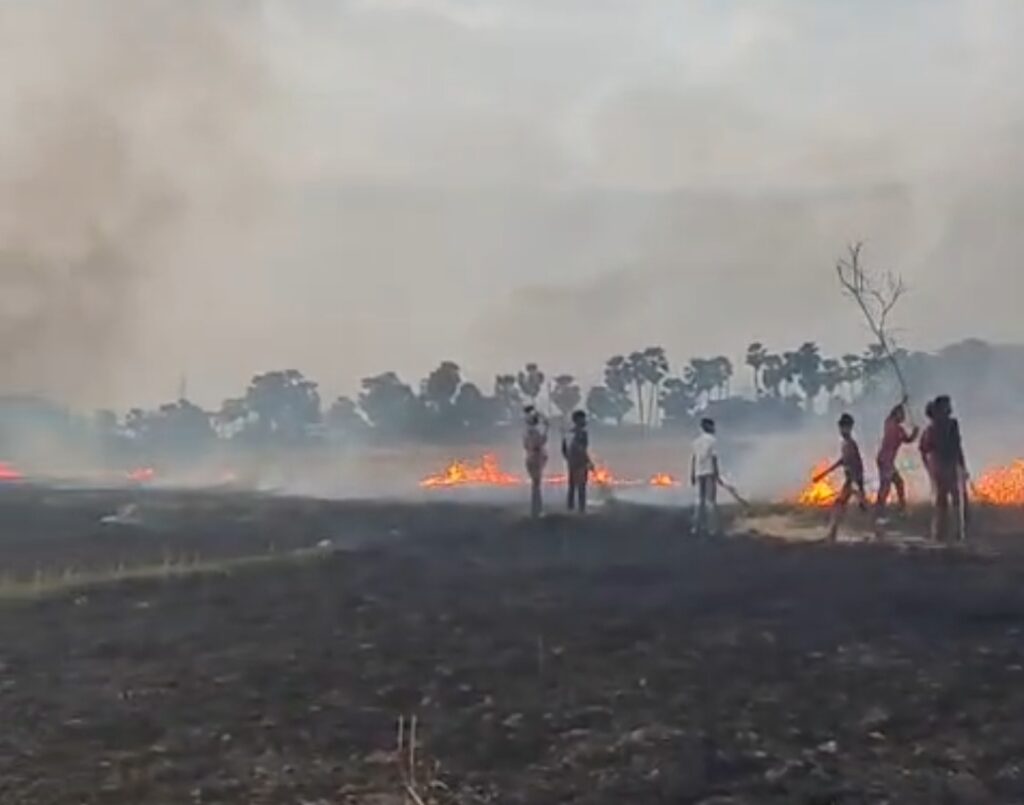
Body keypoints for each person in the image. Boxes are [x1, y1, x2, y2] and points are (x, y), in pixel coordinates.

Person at [919, 395, 968, 542]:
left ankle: (949, 532)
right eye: (947, 405)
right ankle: (944, 532)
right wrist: (929, 467)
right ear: (940, 409)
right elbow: (924, 449)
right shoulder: (934, 429)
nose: (950, 408)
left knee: (951, 500)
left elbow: (956, 446)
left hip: (945, 465)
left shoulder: (947, 425)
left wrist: (962, 465)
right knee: (948, 500)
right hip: (942, 466)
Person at [813, 413, 868, 542]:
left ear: (849, 428)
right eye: (841, 427)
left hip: (853, 480)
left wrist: (857, 484)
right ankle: (833, 533)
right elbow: (843, 461)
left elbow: (855, 464)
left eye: (844, 427)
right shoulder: (846, 444)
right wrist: (823, 474)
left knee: (852, 505)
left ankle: (833, 534)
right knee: (843, 505)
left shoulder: (850, 444)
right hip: (851, 480)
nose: (842, 430)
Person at [875, 397, 919, 519]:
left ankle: (901, 508)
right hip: (885, 461)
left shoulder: (892, 425)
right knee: (886, 487)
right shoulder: (891, 425)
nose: (904, 416)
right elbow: (909, 439)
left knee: (899, 483)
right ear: (897, 415)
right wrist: (915, 433)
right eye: (901, 414)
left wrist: (915, 433)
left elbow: (909, 439)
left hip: (886, 460)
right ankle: (880, 513)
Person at [690, 417, 720, 536]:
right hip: (709, 473)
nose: (714, 428)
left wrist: (692, 474)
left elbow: (693, 459)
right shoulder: (712, 440)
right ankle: (712, 528)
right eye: (712, 426)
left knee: (699, 501)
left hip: (698, 473)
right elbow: (714, 458)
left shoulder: (695, 442)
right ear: (709, 427)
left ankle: (695, 527)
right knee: (710, 502)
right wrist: (716, 473)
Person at [562, 410, 592, 513]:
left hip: (571, 463)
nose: (584, 421)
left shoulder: (568, 433)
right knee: (581, 486)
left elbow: (564, 449)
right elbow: (582, 449)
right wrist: (588, 462)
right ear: (578, 420)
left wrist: (569, 459)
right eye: (583, 418)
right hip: (580, 463)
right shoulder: (582, 434)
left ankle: (570, 507)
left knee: (572, 485)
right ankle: (581, 509)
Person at [522, 406, 549, 518]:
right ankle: (537, 509)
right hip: (535, 458)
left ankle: (536, 508)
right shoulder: (533, 432)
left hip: (531, 458)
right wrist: (546, 429)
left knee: (535, 484)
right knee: (536, 485)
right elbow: (540, 442)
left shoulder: (526, 432)